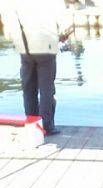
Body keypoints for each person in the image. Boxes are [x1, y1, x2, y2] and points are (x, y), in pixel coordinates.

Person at [0, 0, 71, 136]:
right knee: (46, 89)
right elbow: (62, 18)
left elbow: (6, 12)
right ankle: (47, 126)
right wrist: (63, 33)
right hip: (46, 43)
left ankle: (32, 124)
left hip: (23, 44)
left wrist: (12, 35)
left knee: (28, 88)